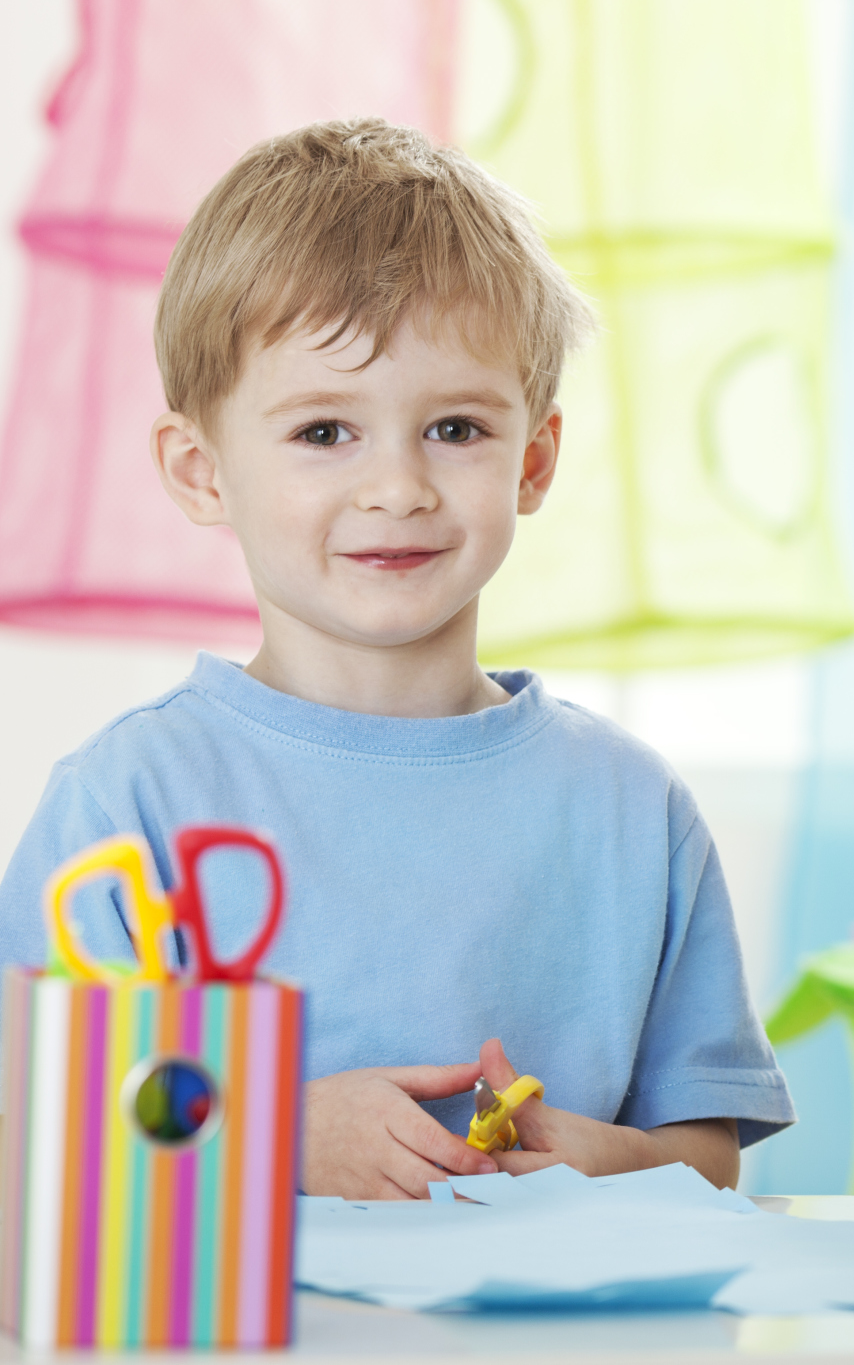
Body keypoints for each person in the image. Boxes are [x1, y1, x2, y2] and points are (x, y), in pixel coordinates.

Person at [0, 119, 793, 1198]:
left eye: (456, 429)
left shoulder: (631, 810)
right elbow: (34, 1134)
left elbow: (706, 1158)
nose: (398, 488)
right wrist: (266, 1137)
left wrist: (607, 1159)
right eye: (325, 432)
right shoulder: (126, 803)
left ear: (536, 458)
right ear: (200, 471)